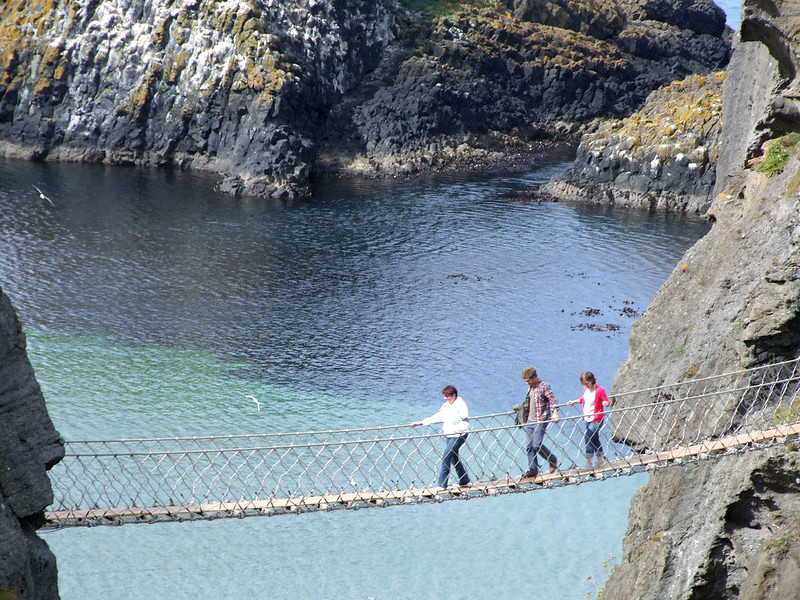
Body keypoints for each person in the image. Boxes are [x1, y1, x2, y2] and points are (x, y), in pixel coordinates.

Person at [412, 385, 470, 488]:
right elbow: (438, 417)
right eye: (445, 396)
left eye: (448, 396)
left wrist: (461, 428)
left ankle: (442, 485)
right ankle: (464, 480)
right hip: (449, 434)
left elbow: (466, 421)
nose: (446, 398)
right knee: (453, 458)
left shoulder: (461, 405)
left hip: (459, 435)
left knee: (446, 457)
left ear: (454, 395)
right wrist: (421, 422)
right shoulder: (446, 406)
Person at [520, 366, 560, 478]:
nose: (527, 383)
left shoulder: (544, 386)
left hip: (541, 420)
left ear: (534, 377)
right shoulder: (530, 387)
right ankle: (533, 470)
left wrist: (555, 413)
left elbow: (553, 400)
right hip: (530, 420)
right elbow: (529, 402)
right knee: (529, 446)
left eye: (528, 381)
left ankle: (552, 460)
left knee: (536, 445)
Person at [567, 371, 610, 467]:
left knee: (589, 438)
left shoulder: (599, 390)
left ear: (592, 380)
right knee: (594, 439)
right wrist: (574, 401)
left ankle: (589, 462)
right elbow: (584, 399)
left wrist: (605, 403)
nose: (586, 386)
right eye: (584, 384)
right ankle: (600, 460)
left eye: (587, 384)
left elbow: (606, 400)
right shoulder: (585, 389)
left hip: (597, 419)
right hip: (587, 419)